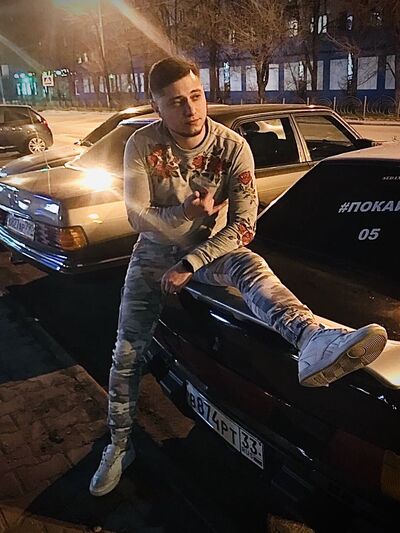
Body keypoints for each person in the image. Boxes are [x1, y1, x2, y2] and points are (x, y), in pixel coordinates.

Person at [89, 56, 388, 497]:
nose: (191, 109)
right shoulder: (142, 144)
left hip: (209, 251)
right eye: (176, 102)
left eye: (196, 96)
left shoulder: (232, 147)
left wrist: (191, 262)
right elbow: (137, 217)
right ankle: (119, 443)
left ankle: (313, 338)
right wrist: (184, 213)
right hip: (152, 254)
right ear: (157, 107)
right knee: (126, 352)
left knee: (250, 264)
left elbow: (245, 226)